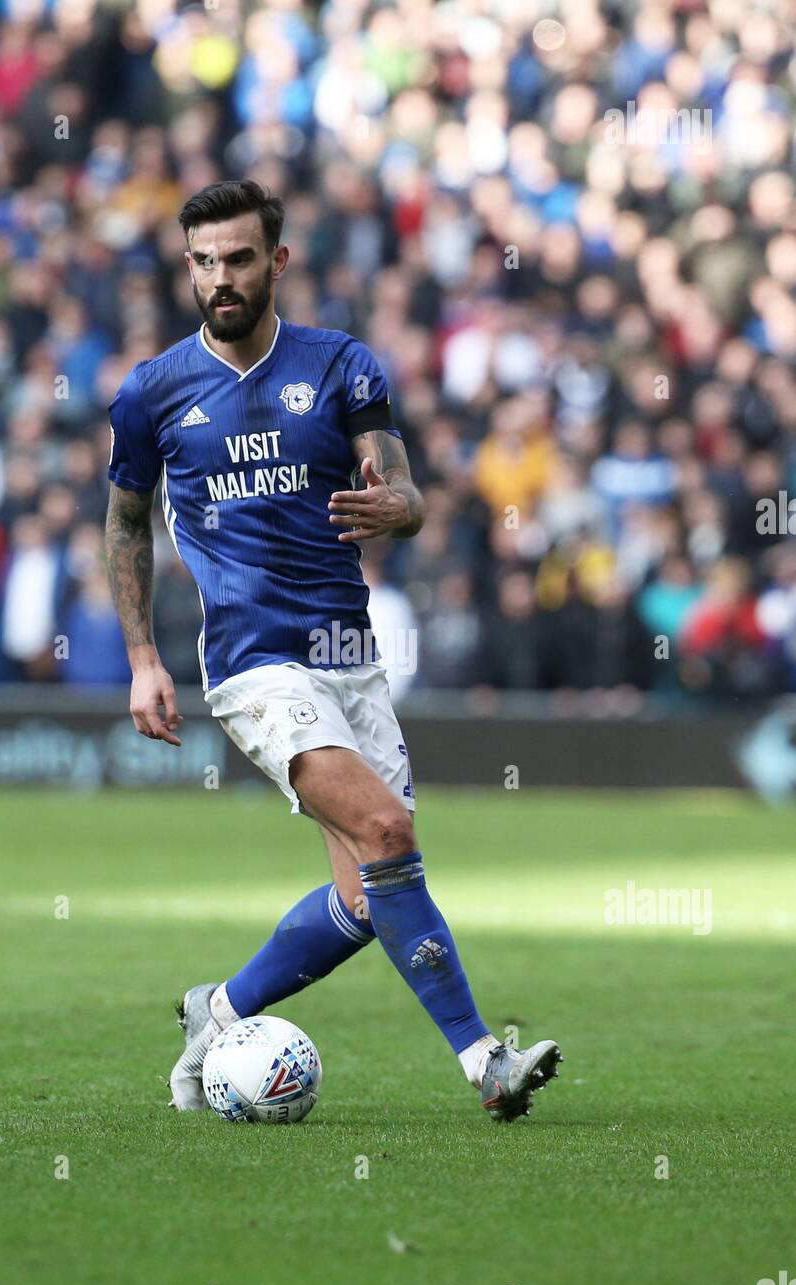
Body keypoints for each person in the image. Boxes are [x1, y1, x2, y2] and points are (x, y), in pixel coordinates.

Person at [104, 179, 561, 1122]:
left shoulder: (343, 364)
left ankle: (215, 1011)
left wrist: (401, 506)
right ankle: (485, 1062)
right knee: (390, 833)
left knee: (363, 897)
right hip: (253, 666)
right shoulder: (152, 393)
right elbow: (124, 527)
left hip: (350, 656)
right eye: (202, 262)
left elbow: (405, 492)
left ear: (276, 262)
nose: (219, 279)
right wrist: (144, 657)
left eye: (237, 259)